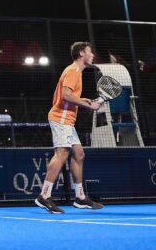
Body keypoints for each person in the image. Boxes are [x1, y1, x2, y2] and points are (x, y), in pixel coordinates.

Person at [35, 41, 103, 213]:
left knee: (79, 154)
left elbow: (69, 96)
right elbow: (65, 96)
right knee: (62, 153)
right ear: (81, 53)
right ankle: (44, 195)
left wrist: (83, 100)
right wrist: (89, 106)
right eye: (89, 51)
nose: (92, 55)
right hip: (61, 118)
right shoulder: (73, 71)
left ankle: (80, 198)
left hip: (67, 120)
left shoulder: (76, 71)